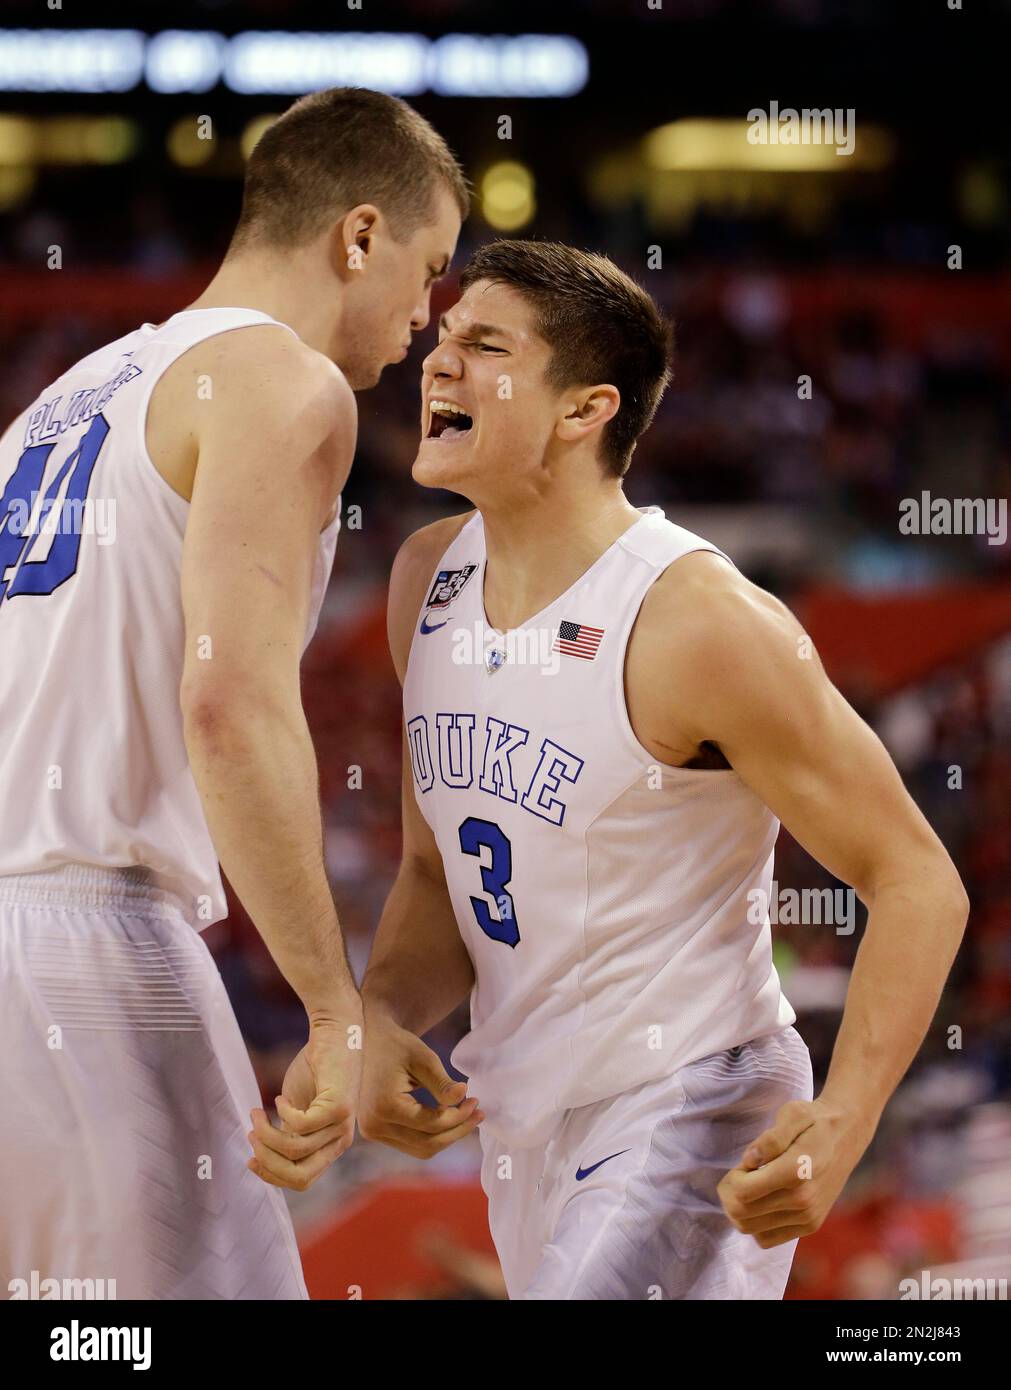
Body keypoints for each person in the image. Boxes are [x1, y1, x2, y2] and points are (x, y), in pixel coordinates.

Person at [352, 239, 968, 1299]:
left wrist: (849, 1115)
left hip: (690, 1095)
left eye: (484, 345)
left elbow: (918, 879)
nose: (437, 363)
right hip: (529, 1120)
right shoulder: (426, 581)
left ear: (583, 410)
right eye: (444, 337)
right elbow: (430, 875)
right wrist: (378, 1019)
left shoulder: (697, 621)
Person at [0, 86, 466, 1299]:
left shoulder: (65, 399)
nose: (429, 317)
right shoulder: (284, 383)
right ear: (357, 236)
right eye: (428, 271)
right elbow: (231, 707)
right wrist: (331, 1007)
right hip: (85, 939)